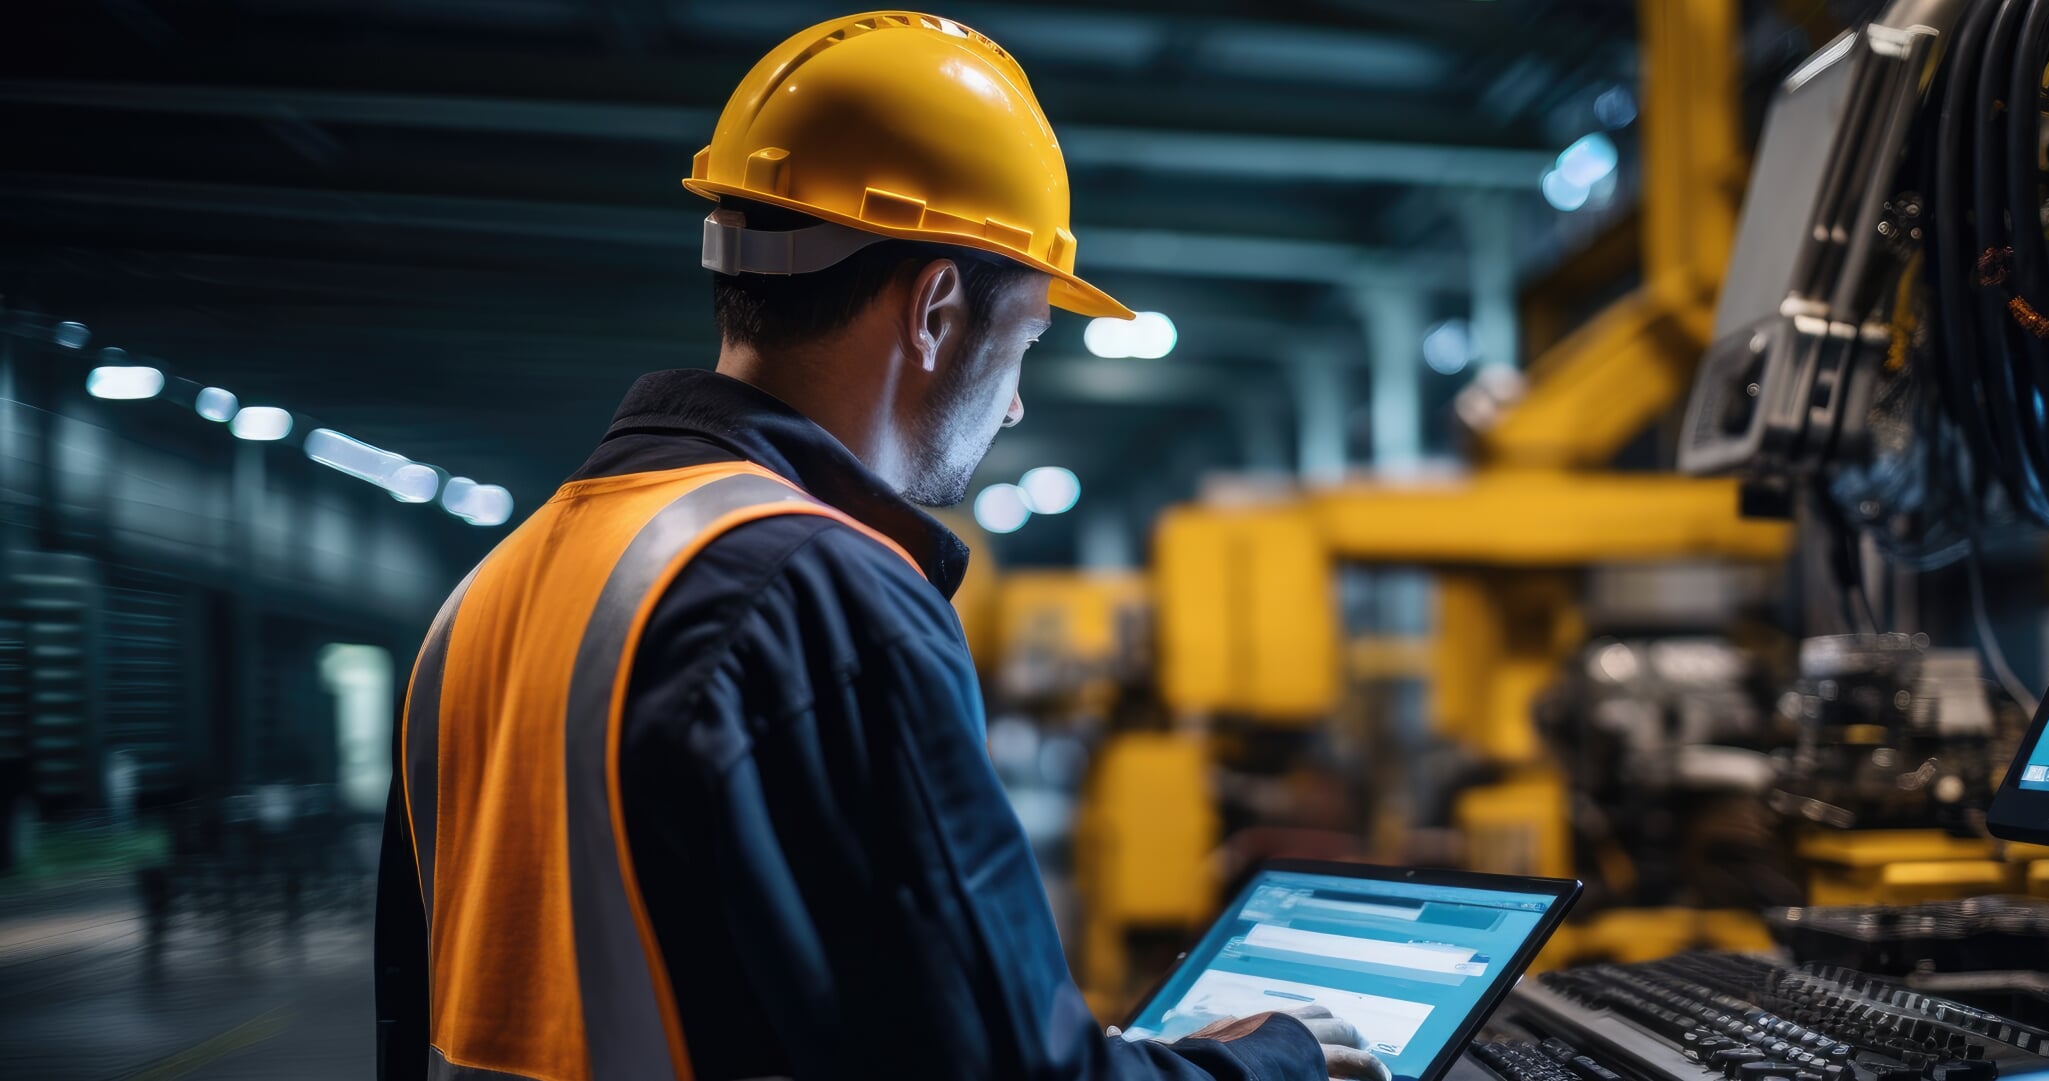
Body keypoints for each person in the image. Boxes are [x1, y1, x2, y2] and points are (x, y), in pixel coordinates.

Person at [372, 11, 1385, 1081]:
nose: (1013, 407)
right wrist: (1271, 1062)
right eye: (1027, 338)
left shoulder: (486, 594)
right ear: (939, 310)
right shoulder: (822, 595)